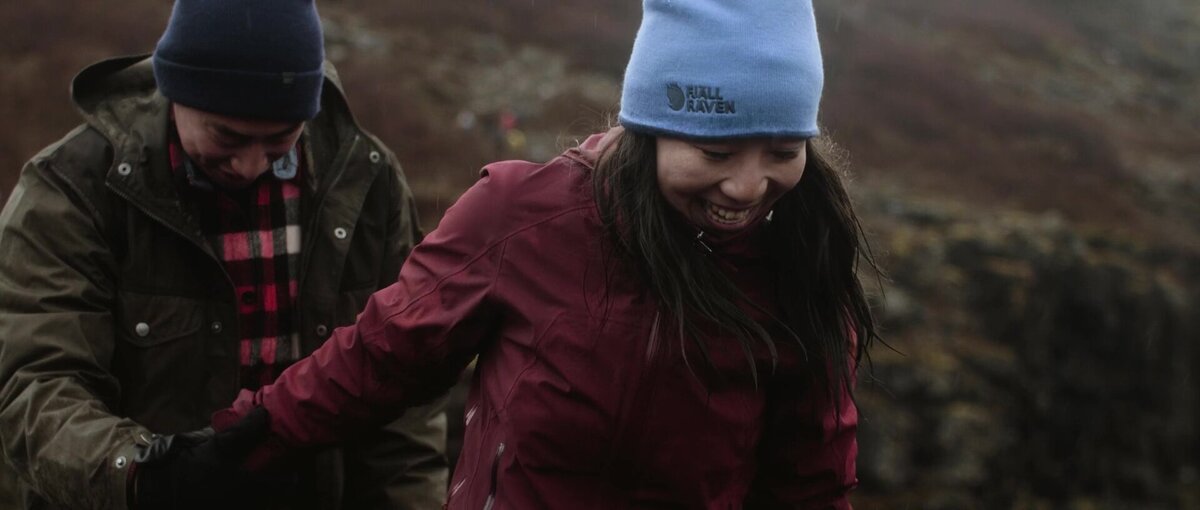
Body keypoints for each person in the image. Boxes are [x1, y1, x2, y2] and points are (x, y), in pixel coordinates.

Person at [214, 0, 878, 507]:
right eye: (715, 152)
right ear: (650, 127)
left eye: (784, 153)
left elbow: (812, 482)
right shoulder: (523, 217)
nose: (748, 185)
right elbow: (378, 358)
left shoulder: (802, 259)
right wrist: (230, 444)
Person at [0, 0, 449, 509]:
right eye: (227, 137)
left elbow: (400, 398)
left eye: (280, 140)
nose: (251, 164)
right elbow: (34, 386)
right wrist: (145, 474)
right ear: (175, 93)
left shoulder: (368, 181)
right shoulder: (71, 189)